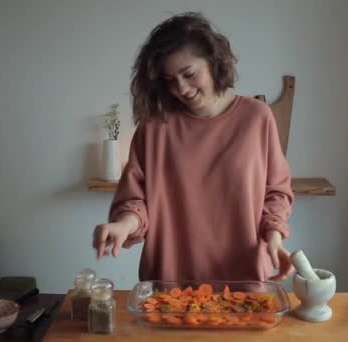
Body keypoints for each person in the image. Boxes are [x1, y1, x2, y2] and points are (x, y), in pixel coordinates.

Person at [93, 11, 294, 282]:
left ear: (213, 61)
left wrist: (274, 236)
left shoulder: (257, 117)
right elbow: (135, 199)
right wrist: (123, 225)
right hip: (170, 285)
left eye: (189, 74)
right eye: (170, 80)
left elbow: (277, 192)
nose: (182, 89)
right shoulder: (155, 128)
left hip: (243, 280)